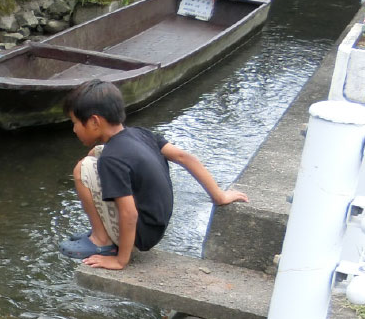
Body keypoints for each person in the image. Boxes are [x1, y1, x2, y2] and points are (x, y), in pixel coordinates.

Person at [59, 80, 248, 270]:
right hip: (156, 224)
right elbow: (185, 157)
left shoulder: (112, 158)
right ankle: (102, 233)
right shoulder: (140, 134)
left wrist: (120, 261)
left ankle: (102, 240)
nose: (74, 130)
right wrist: (219, 196)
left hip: (142, 235)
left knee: (83, 168)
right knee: (96, 154)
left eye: (74, 123)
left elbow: (129, 213)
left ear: (94, 122)